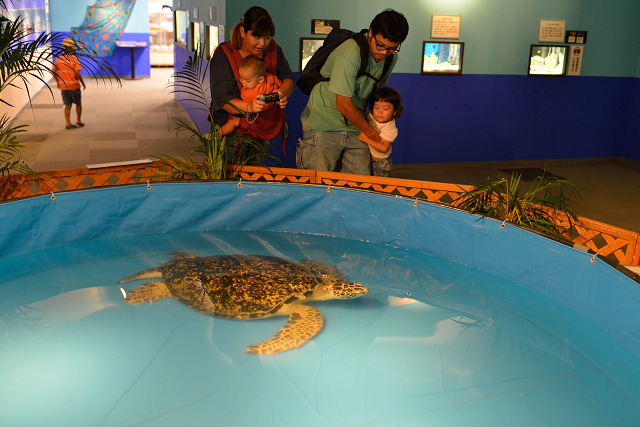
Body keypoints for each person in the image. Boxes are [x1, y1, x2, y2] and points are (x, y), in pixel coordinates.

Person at [297, 9, 408, 175]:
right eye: (380, 45)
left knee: (361, 186)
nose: (384, 53)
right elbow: (343, 105)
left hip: (355, 125)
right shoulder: (351, 50)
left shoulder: (390, 58)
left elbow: (376, 91)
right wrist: (372, 133)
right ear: (371, 32)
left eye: (392, 48)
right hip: (324, 122)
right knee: (319, 186)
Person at [210, 6, 294, 158]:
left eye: (267, 37)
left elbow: (288, 79)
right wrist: (249, 106)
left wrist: (281, 93)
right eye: (256, 37)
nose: (262, 43)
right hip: (231, 134)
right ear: (243, 31)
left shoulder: (274, 50)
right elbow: (222, 99)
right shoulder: (224, 55)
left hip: (259, 130)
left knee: (253, 178)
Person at [217, 55, 282, 138]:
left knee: (233, 121)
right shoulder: (269, 78)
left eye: (247, 81)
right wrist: (278, 91)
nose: (243, 83)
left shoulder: (250, 93)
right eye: (241, 78)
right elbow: (280, 83)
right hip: (272, 121)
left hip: (259, 122)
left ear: (260, 79)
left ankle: (215, 136)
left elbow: (246, 108)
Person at [357, 87, 403, 177]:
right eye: (376, 107)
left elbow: (384, 148)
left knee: (379, 187)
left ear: (395, 111)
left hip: (380, 163)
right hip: (366, 160)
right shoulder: (371, 116)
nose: (380, 112)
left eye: (385, 109)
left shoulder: (390, 128)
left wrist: (367, 139)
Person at [52, 38, 86, 129]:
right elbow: (77, 73)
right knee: (78, 103)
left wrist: (58, 82)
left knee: (67, 105)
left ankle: (68, 123)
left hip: (64, 87)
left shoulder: (59, 59)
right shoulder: (74, 60)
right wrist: (83, 83)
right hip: (74, 86)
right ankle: (78, 120)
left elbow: (53, 71)